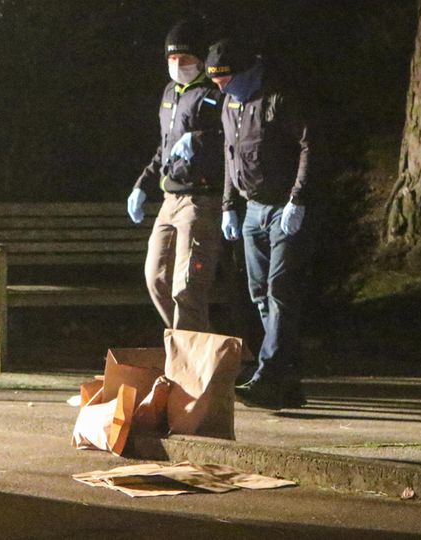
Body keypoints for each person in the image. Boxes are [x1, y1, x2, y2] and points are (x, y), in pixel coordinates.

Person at [205, 38, 312, 409]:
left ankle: (268, 376)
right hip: (251, 210)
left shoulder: (276, 99)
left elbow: (307, 144)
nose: (219, 86)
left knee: (279, 290)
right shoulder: (231, 103)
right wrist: (228, 205)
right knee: (260, 295)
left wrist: (297, 198)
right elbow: (229, 155)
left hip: (282, 207)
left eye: (225, 78)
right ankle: (287, 379)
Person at [128, 20, 225, 333]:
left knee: (188, 288)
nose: (177, 64)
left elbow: (231, 137)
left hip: (200, 198)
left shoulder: (214, 92)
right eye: (172, 59)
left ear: (199, 60)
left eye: (184, 59)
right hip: (170, 199)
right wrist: (143, 184)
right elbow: (166, 148)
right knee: (156, 279)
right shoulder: (170, 92)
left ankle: (190, 367)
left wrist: (198, 141)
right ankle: (193, 349)